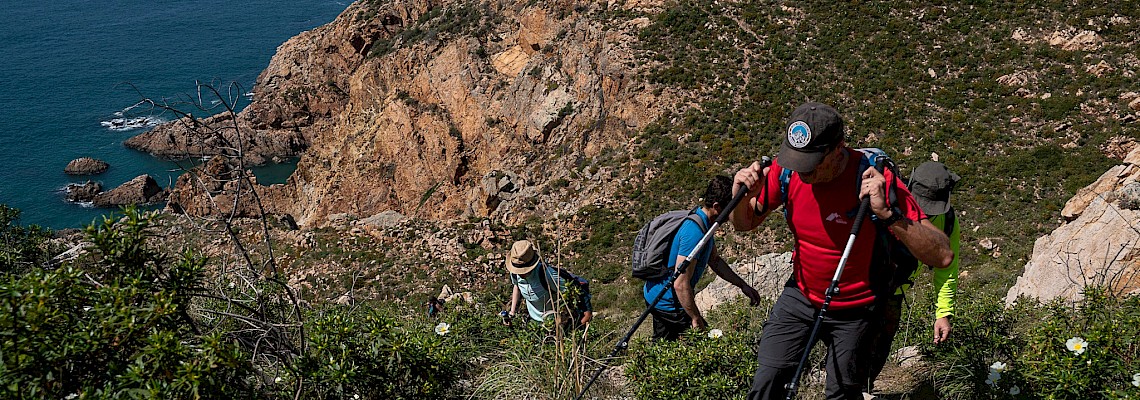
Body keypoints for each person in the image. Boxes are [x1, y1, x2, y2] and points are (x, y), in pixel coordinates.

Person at [730, 102, 953, 400]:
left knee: (842, 394)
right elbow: (744, 224)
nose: (801, 170)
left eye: (811, 162)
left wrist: (888, 214)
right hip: (801, 294)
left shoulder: (874, 179)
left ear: (838, 149)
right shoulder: (789, 172)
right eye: (795, 159)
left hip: (857, 308)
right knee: (768, 378)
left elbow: (943, 255)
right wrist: (741, 195)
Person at [864, 161, 961, 393]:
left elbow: (947, 270)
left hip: (894, 293)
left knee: (881, 346)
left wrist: (943, 314)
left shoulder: (947, 223)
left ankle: (864, 389)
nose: (926, 213)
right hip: (861, 288)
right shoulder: (882, 203)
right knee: (854, 342)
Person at [643, 175, 764, 340]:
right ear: (716, 206)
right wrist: (695, 317)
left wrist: (742, 285)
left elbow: (714, 260)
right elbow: (680, 284)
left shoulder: (704, 223)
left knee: (665, 345)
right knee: (701, 346)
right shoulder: (695, 232)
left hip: (658, 296)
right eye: (730, 207)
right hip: (668, 302)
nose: (733, 212)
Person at [505, 240, 594, 329]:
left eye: (523, 270)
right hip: (534, 322)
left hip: (554, 323)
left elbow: (572, 291)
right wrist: (512, 313)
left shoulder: (546, 274)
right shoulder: (515, 272)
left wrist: (584, 316)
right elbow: (517, 286)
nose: (520, 273)